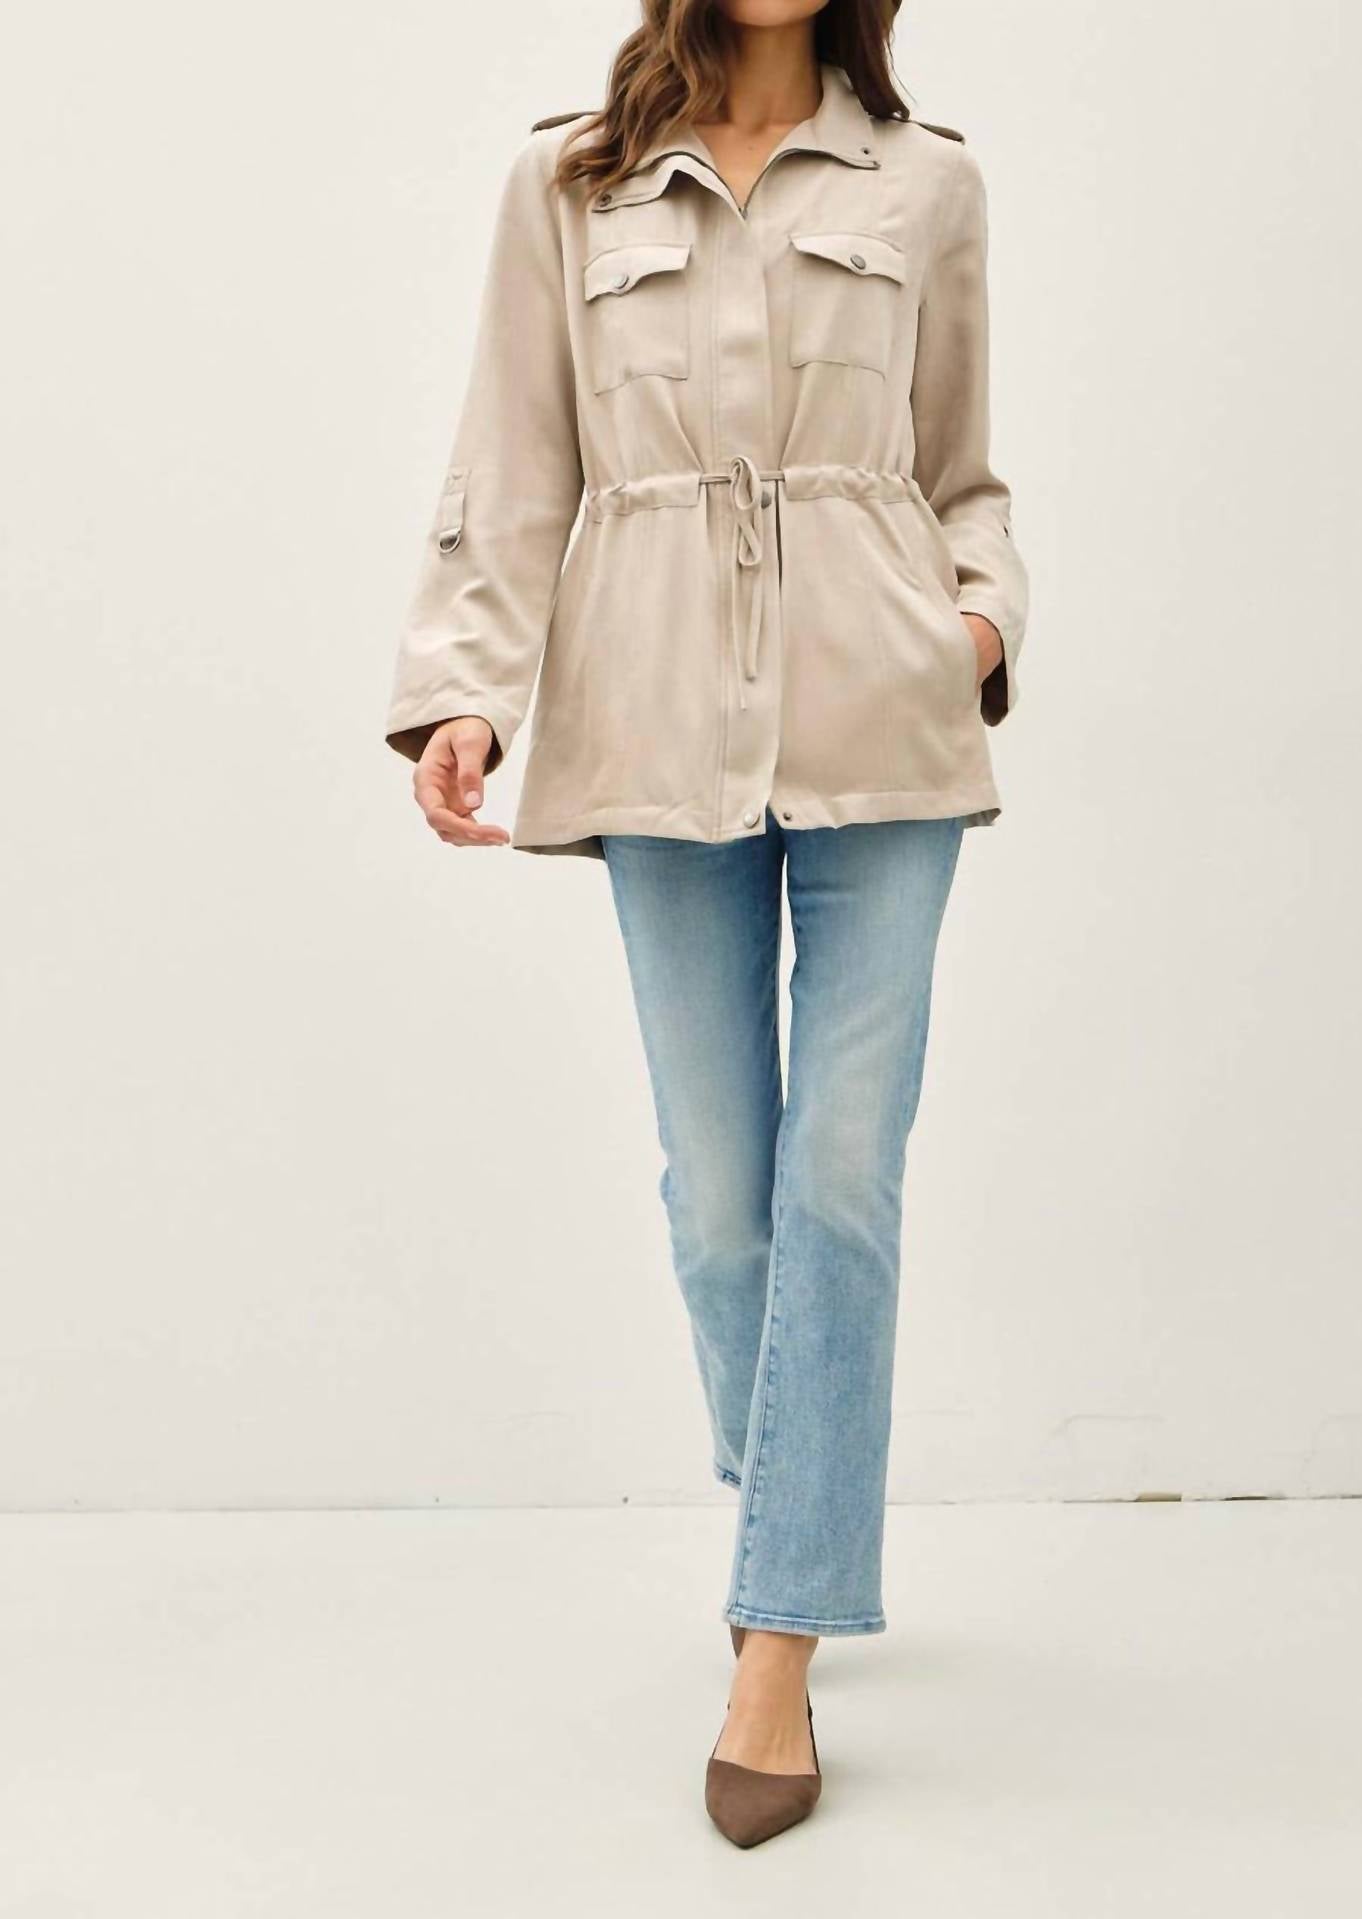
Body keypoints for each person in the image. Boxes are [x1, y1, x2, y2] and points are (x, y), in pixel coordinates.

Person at [384, 0, 1028, 1848]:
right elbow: (516, 466)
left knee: (843, 1175)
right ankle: (794, 1509)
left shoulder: (926, 183)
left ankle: (776, 1645)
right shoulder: (568, 184)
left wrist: (975, 625)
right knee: (723, 1196)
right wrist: (464, 695)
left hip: (886, 728)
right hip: (653, 723)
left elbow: (965, 472)